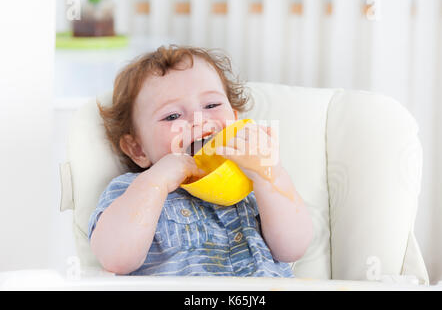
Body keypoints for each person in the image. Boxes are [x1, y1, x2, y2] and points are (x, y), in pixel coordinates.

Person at [88, 45, 313, 276]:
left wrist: (269, 175)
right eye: (173, 116)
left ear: (235, 120)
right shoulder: (132, 190)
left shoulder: (254, 179)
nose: (199, 120)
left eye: (211, 105)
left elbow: (293, 248)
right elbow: (115, 258)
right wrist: (156, 181)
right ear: (138, 149)